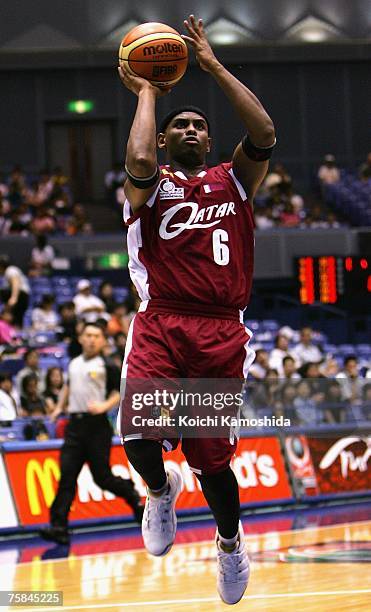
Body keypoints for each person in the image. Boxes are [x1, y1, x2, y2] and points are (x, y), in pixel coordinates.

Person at [117, 14, 275, 605]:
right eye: (177, 125)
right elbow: (136, 159)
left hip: (221, 333)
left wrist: (210, 65)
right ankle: (160, 490)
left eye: (198, 125)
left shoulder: (234, 181)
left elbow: (264, 133)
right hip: (162, 320)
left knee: (213, 463)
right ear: (163, 138)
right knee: (136, 436)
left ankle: (230, 543)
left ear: (209, 141)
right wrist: (149, 88)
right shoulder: (149, 184)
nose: (189, 129)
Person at [40, 322, 144, 545]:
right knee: (67, 477)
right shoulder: (74, 363)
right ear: (80, 338)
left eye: (96, 336)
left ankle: (131, 494)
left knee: (102, 477)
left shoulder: (107, 364)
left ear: (102, 340)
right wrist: (59, 407)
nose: (91, 339)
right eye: (87, 335)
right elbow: (68, 387)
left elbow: (120, 391)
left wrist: (105, 406)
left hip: (97, 427)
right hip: (74, 427)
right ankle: (58, 526)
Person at [0, 256, 30, 327]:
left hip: (20, 295)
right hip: (21, 296)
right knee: (17, 319)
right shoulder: (9, 272)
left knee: (17, 318)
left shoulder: (10, 270)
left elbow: (15, 283)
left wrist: (14, 297)